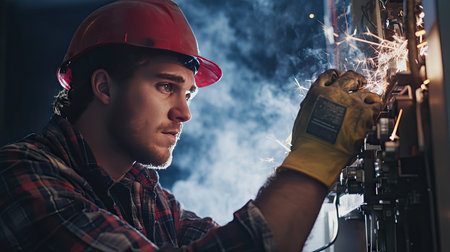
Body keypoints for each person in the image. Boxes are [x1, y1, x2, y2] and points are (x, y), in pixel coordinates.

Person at [0, 0, 381, 251]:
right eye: (166, 86)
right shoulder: (19, 177)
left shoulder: (140, 194)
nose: (184, 113)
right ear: (104, 87)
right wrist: (313, 159)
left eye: (189, 95)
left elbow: (237, 242)